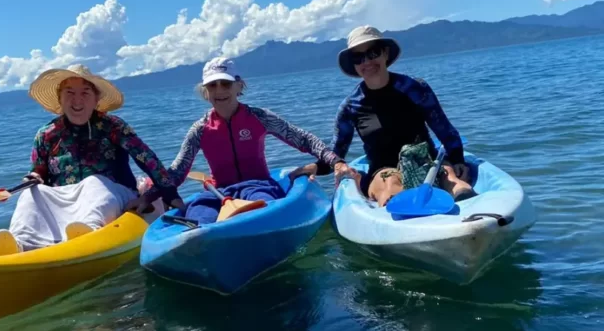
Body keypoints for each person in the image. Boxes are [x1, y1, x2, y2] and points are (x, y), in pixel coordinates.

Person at [134, 57, 354, 224]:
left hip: (258, 186)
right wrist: (149, 196)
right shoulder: (199, 130)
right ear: (205, 91)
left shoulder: (259, 117)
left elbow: (303, 139)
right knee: (198, 215)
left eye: (225, 84)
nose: (219, 91)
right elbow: (178, 170)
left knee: (259, 206)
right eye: (212, 85)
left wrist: (335, 162)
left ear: (239, 86)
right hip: (220, 191)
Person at [0, 64, 177, 256]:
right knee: (32, 192)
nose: (77, 100)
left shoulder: (113, 126)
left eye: (85, 93)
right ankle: (20, 241)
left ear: (96, 100)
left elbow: (146, 158)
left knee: (93, 182)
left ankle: (88, 233)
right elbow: (39, 171)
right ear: (60, 99)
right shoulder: (46, 134)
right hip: (64, 200)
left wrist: (166, 193)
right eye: (69, 92)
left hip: (115, 195)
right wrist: (33, 177)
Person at [297, 25, 475, 207]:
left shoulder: (415, 88)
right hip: (383, 172)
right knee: (391, 186)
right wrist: (316, 167)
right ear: (354, 64)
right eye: (358, 57)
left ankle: (474, 219)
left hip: (427, 162)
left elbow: (444, 129)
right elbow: (336, 155)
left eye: (373, 52)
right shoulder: (350, 107)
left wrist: (458, 159)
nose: (366, 61)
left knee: (451, 179)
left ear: (385, 53)